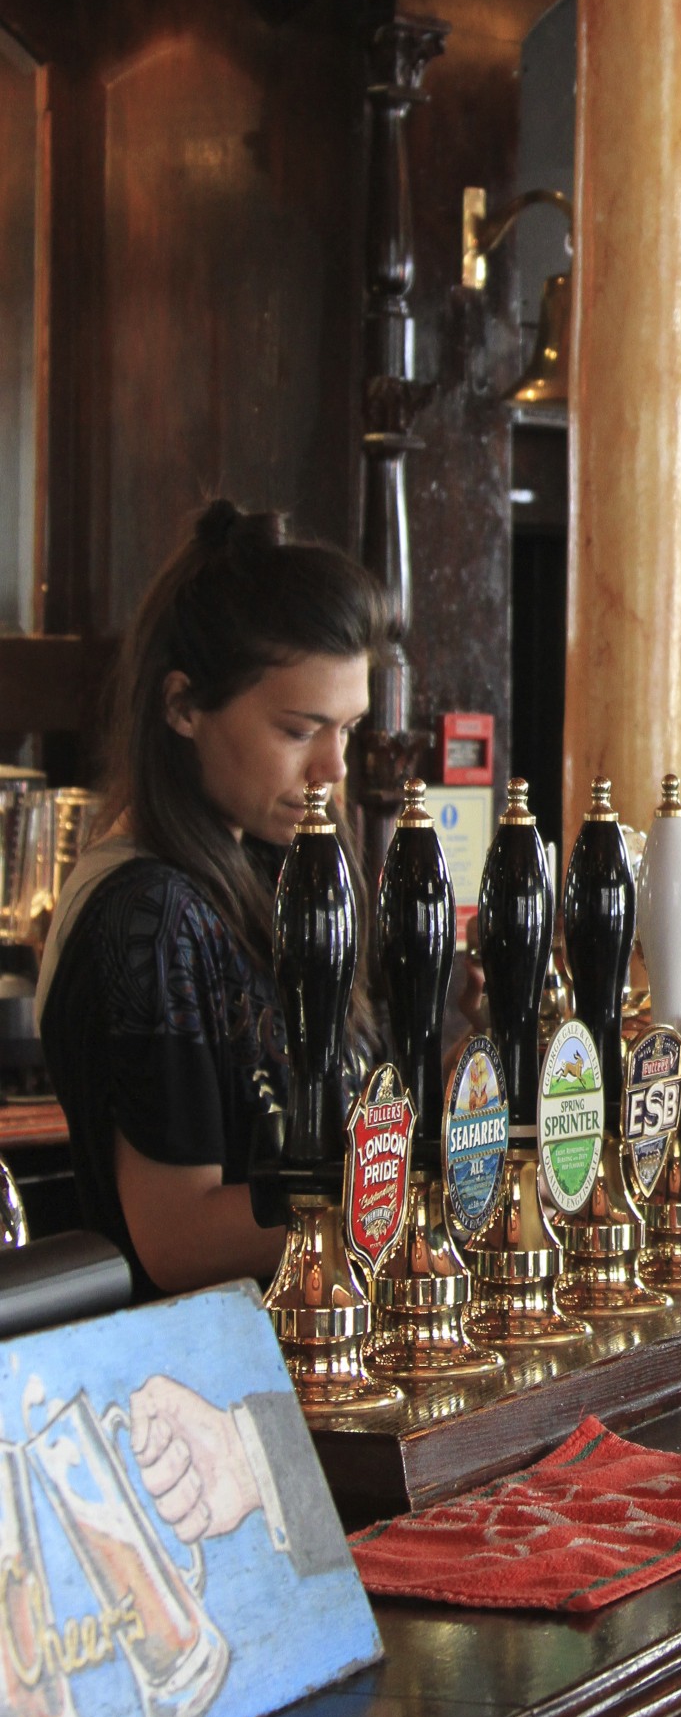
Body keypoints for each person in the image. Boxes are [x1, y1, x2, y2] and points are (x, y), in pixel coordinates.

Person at [38, 502, 389, 1300]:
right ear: (182, 708)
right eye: (299, 730)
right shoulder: (149, 914)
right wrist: (398, 1192)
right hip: (215, 1362)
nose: (333, 768)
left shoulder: (266, 869)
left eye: (348, 729)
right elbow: (178, 1237)